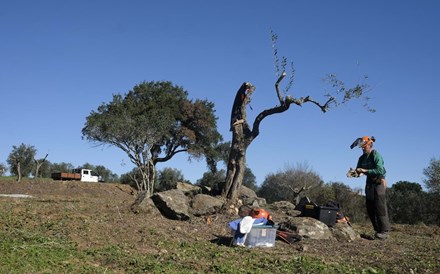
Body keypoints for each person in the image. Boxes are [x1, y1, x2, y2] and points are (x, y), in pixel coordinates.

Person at [351, 136, 390, 239]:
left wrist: (364, 171)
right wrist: (354, 173)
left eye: (365, 147)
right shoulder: (361, 158)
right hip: (369, 183)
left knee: (380, 206)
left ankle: (385, 231)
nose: (363, 149)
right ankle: (378, 231)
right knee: (370, 207)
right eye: (362, 148)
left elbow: (380, 170)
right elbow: (359, 173)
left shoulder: (376, 155)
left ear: (370, 145)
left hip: (378, 181)